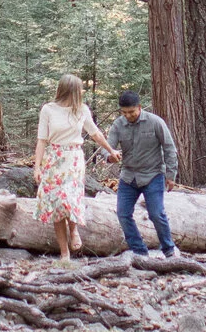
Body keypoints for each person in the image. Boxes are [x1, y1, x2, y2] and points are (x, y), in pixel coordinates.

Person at [34, 74, 118, 262]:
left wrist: (111, 150)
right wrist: (37, 167)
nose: (80, 93)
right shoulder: (48, 110)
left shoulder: (82, 110)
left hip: (73, 158)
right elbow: (41, 140)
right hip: (54, 158)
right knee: (56, 204)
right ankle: (64, 253)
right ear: (68, 90)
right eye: (78, 90)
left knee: (70, 198)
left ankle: (74, 229)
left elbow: (95, 134)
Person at [107, 89, 180, 259]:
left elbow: (169, 148)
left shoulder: (155, 122)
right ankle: (139, 251)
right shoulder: (118, 125)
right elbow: (108, 148)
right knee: (123, 214)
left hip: (153, 175)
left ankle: (169, 249)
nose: (128, 115)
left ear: (139, 107)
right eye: (124, 112)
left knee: (156, 213)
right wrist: (110, 156)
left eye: (131, 112)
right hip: (128, 176)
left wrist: (171, 175)